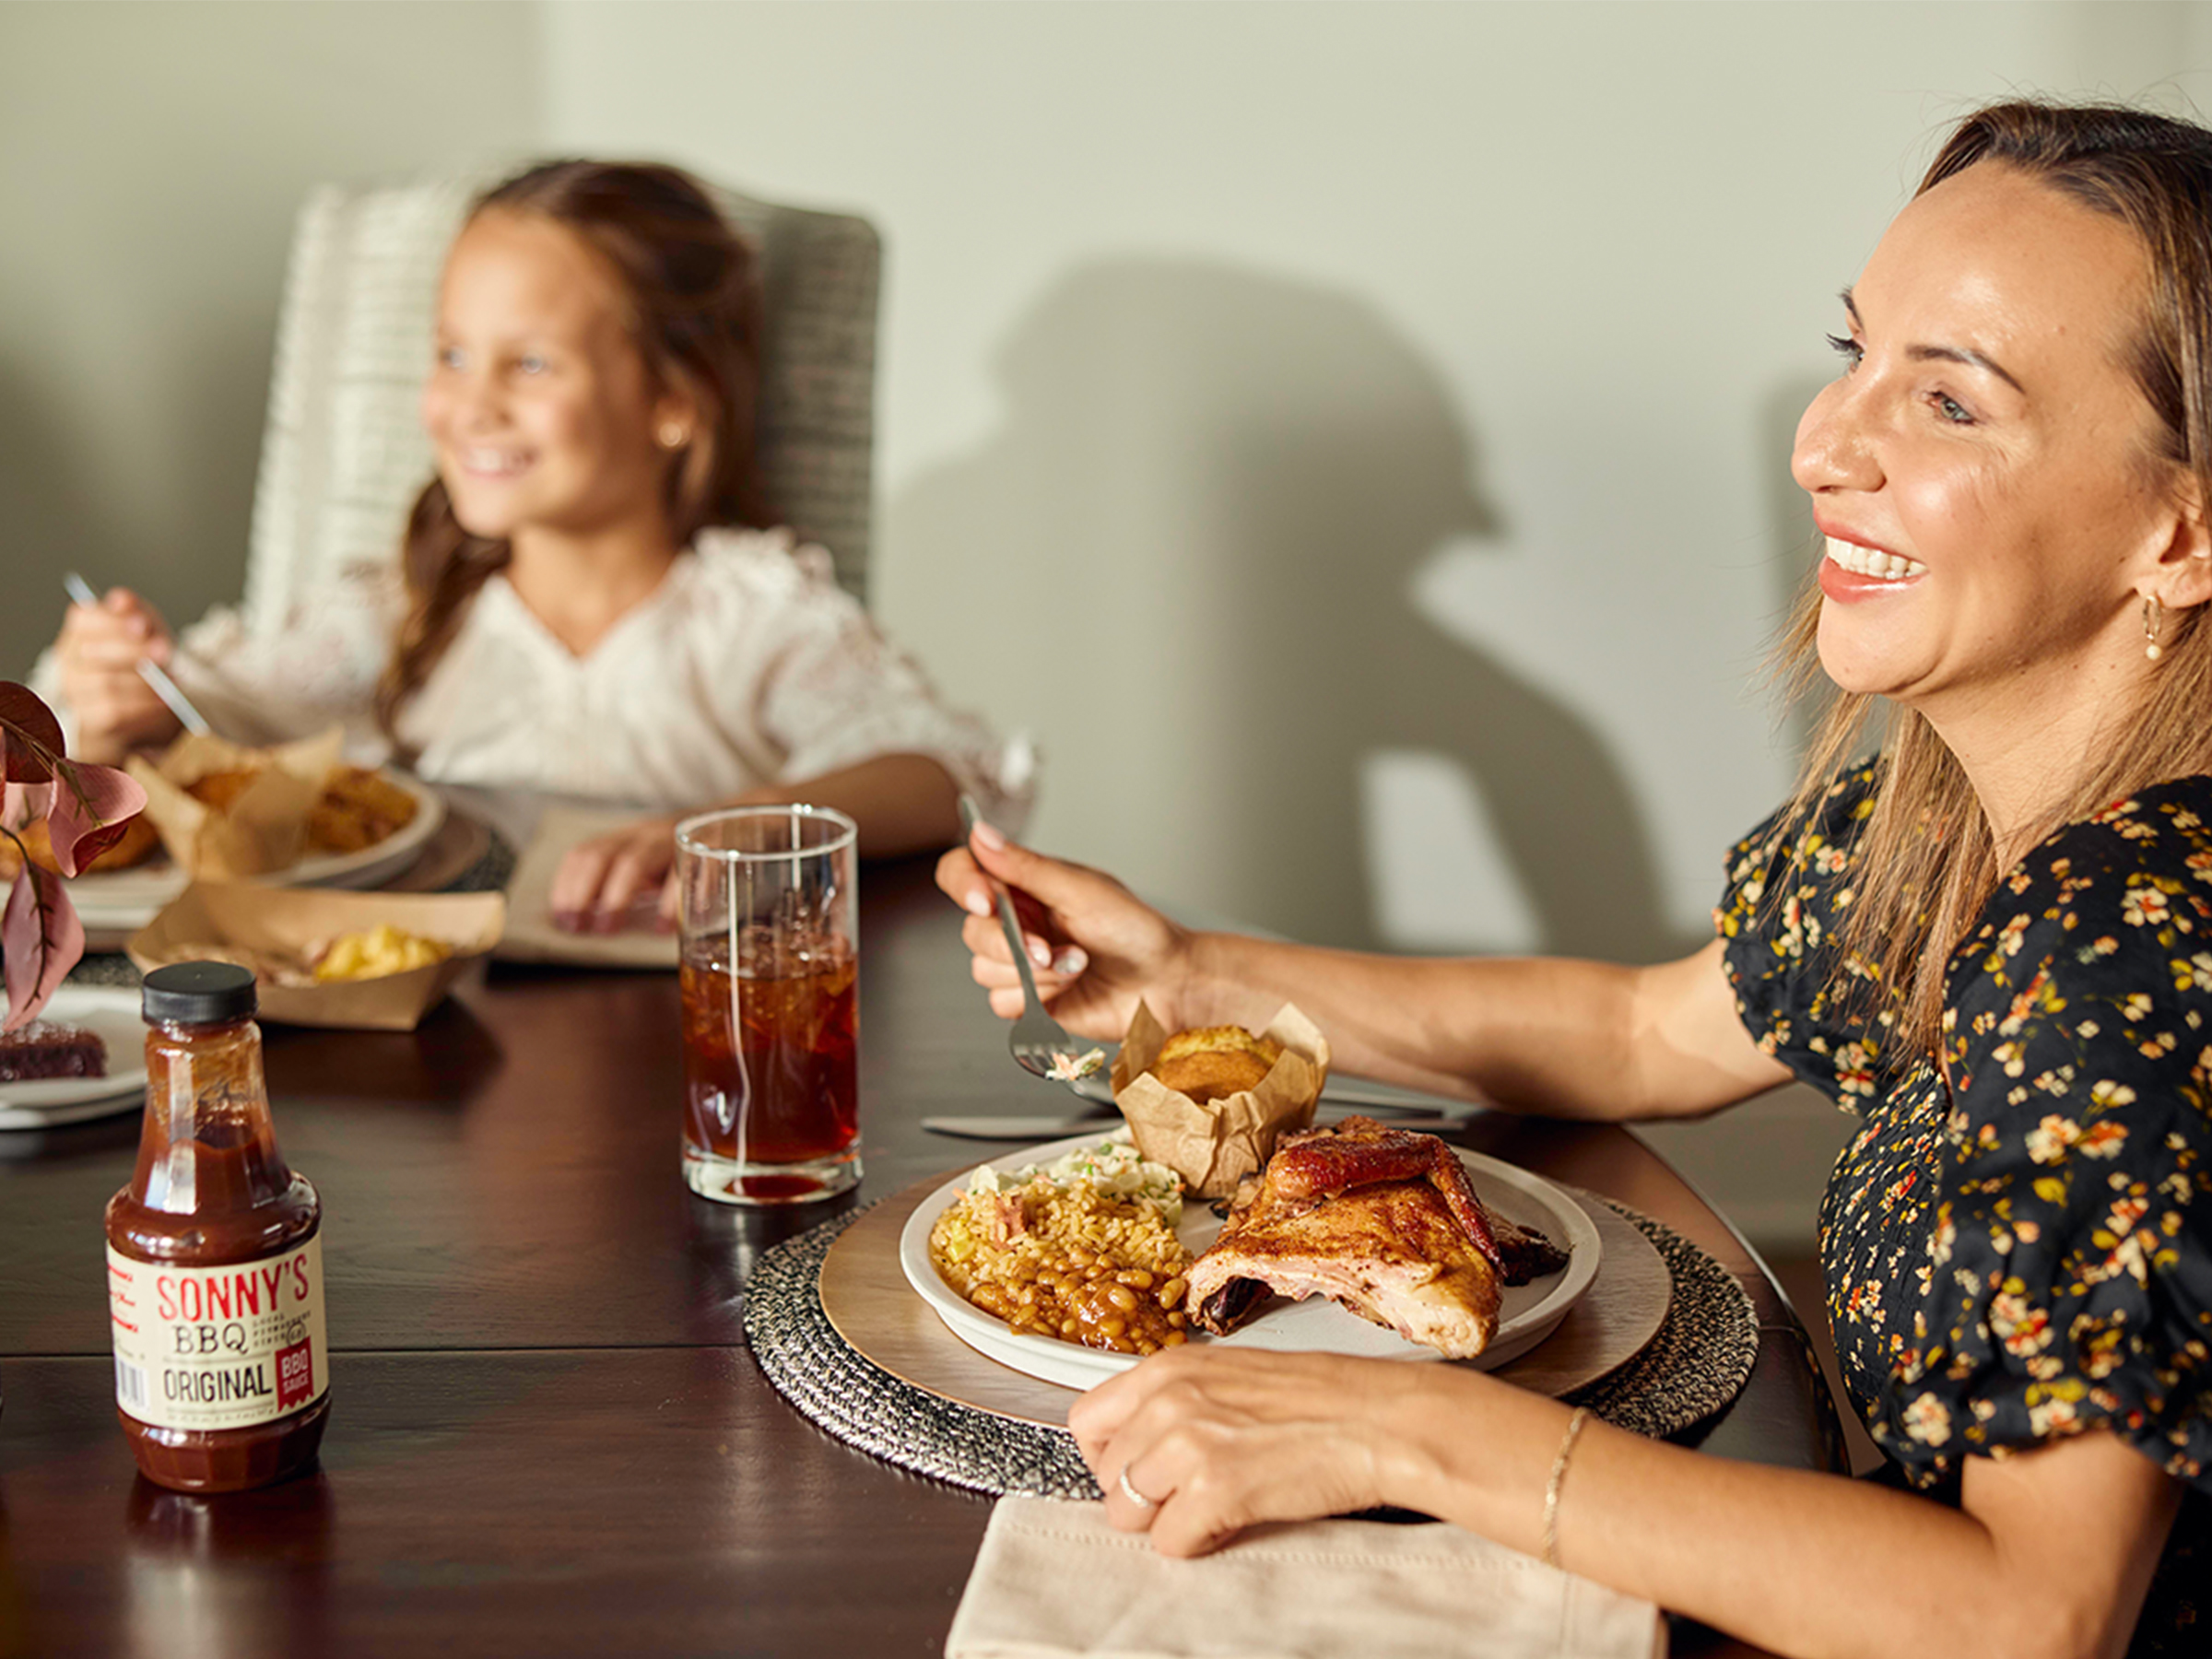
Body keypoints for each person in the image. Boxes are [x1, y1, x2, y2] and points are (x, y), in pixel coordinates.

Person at [936, 100, 2210, 1657]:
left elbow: (2036, 1614)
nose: (1826, 446)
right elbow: (1641, 1034)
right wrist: (1190, 976)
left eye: (1947, 404)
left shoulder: (2138, 934)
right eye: (1854, 352)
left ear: (2180, 530)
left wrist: (1396, 1434)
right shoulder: (1947, 823)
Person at [43, 160, 1028, 928]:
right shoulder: (404, 612)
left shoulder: (751, 616)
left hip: (696, 1062)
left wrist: (732, 830)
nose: (470, 406)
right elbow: (222, 716)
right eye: (452, 353)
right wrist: (118, 699)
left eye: (532, 363)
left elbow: (940, 772)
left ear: (674, 404)